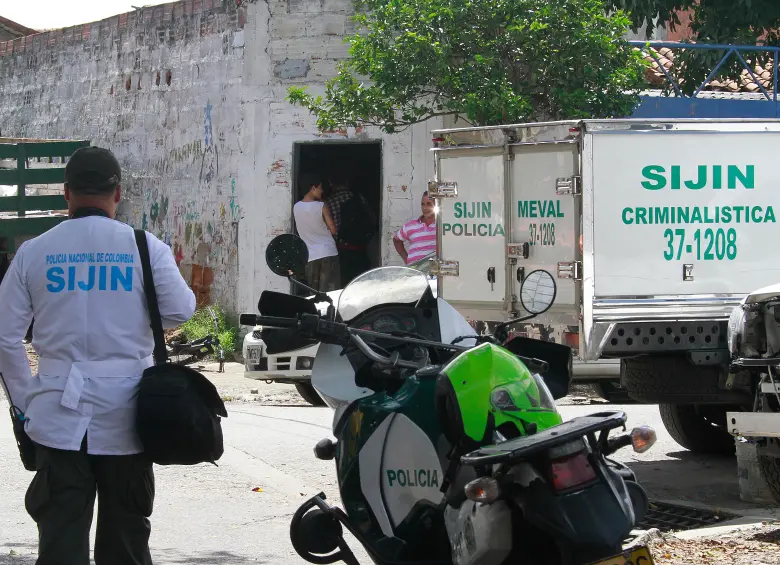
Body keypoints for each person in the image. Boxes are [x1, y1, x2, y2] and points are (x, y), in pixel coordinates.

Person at [0, 146, 196, 565]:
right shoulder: (145, 247)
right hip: (128, 413)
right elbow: (181, 309)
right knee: (126, 539)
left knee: (60, 542)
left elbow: (4, 338)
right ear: (118, 192)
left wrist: (24, 403)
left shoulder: (34, 252)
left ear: (66, 193)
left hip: (55, 411)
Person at [325, 172, 376, 287]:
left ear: (330, 183)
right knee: (361, 283)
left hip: (342, 251)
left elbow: (331, 230)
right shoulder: (359, 197)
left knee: (343, 285)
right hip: (361, 249)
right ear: (347, 182)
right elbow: (372, 219)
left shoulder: (329, 202)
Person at [293, 173, 340, 292]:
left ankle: (314, 311)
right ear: (313, 188)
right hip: (328, 253)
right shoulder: (321, 206)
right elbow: (333, 230)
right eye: (320, 188)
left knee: (313, 294)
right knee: (329, 294)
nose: (322, 191)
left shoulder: (296, 207)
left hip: (311, 256)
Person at [393, 191, 437, 265]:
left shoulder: (441, 225)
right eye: (423, 204)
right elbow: (396, 240)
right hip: (415, 272)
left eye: (429, 204)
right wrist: (406, 258)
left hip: (434, 272)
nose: (425, 208)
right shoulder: (410, 226)